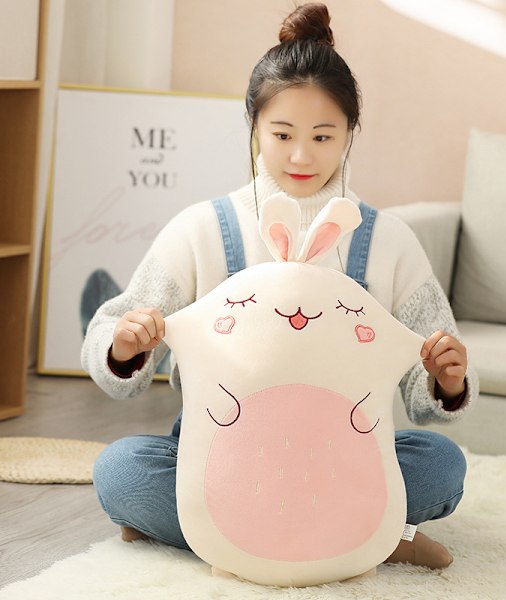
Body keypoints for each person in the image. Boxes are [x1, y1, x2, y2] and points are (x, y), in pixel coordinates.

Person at [83, 2, 478, 573]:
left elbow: (429, 395)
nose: (300, 155)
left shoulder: (387, 240)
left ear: (350, 133)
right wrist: (125, 346)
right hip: (220, 453)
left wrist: (448, 379)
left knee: (441, 463)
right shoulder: (203, 229)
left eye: (323, 136)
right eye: (282, 133)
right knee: (122, 471)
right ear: (254, 127)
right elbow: (108, 339)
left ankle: (215, 533)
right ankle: (374, 536)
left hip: (351, 454)